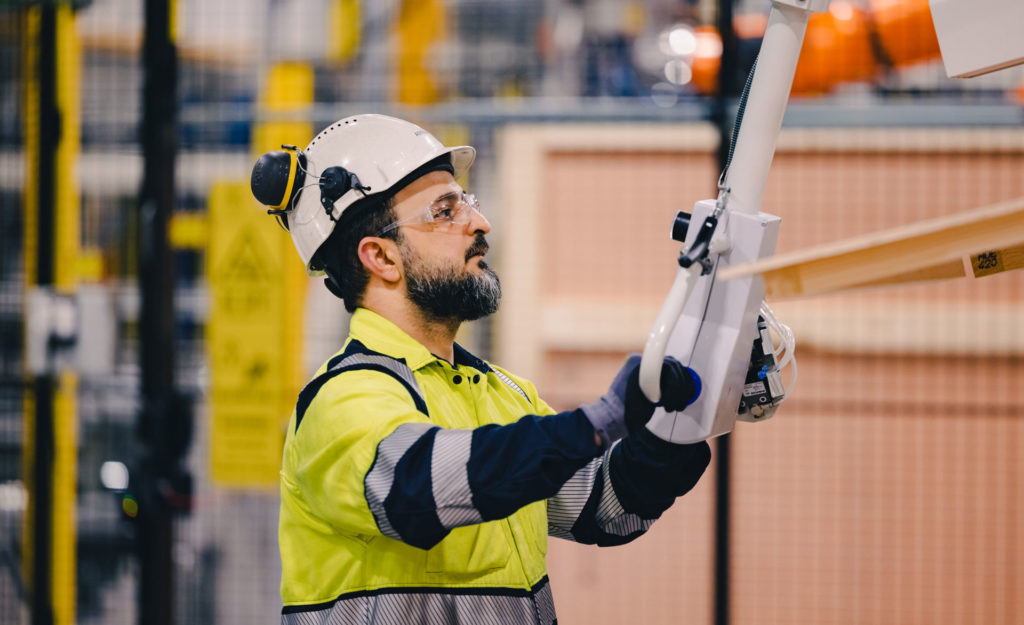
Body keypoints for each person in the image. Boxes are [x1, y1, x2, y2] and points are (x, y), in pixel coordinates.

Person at [250, 114, 711, 625]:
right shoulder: (339, 402)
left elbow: (608, 507)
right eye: (445, 211)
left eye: (467, 202)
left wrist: (686, 411)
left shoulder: (500, 393)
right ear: (381, 257)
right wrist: (598, 421)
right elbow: (420, 485)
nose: (480, 222)